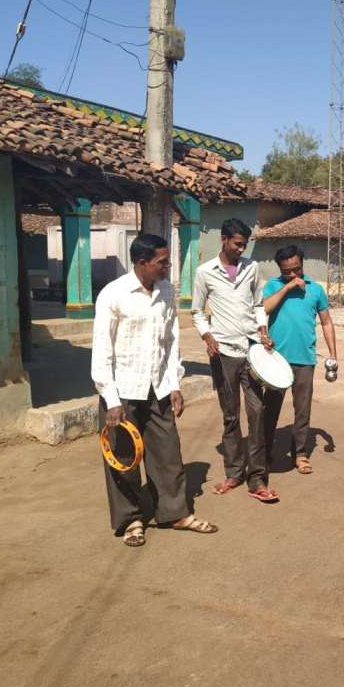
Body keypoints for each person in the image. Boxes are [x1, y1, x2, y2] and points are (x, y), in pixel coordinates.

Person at [92, 233, 217, 547]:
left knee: (168, 452)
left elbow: (171, 340)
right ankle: (132, 519)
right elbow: (102, 350)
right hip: (121, 391)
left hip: (158, 386)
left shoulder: (165, 291)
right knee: (123, 456)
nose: (168, 267)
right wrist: (111, 398)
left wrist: (174, 383)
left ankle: (175, 513)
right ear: (143, 262)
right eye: (163, 262)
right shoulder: (113, 294)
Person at [192, 218, 279, 503]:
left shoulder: (251, 268)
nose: (242, 249)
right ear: (224, 239)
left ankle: (257, 478)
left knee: (256, 413)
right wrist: (207, 336)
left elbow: (257, 306)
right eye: (238, 244)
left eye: (245, 244)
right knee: (230, 416)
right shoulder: (205, 272)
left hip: (251, 351)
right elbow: (196, 311)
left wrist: (263, 333)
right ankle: (234, 473)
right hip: (223, 354)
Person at [262, 245, 339, 476]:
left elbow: (326, 322)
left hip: (305, 359)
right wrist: (287, 286)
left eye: (297, 269)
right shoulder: (272, 286)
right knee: (270, 409)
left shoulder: (316, 290)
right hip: (277, 360)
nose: (294, 274)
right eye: (288, 271)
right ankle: (264, 454)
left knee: (302, 410)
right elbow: (264, 308)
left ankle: (300, 453)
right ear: (280, 269)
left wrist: (333, 354)